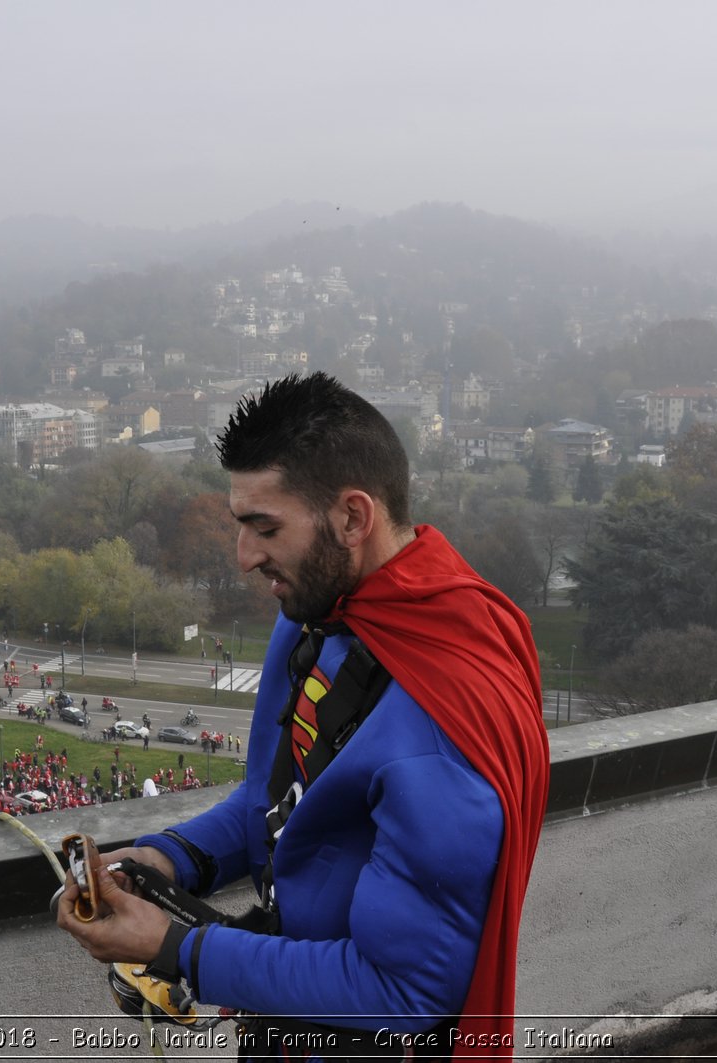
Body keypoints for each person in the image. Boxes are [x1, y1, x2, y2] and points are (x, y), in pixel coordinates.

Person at [57, 372, 549, 1059]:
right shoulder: (320, 616)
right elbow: (272, 800)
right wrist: (168, 859)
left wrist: (176, 948)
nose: (245, 556)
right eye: (241, 525)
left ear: (353, 517)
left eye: (266, 528)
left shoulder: (441, 725)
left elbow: (403, 992)